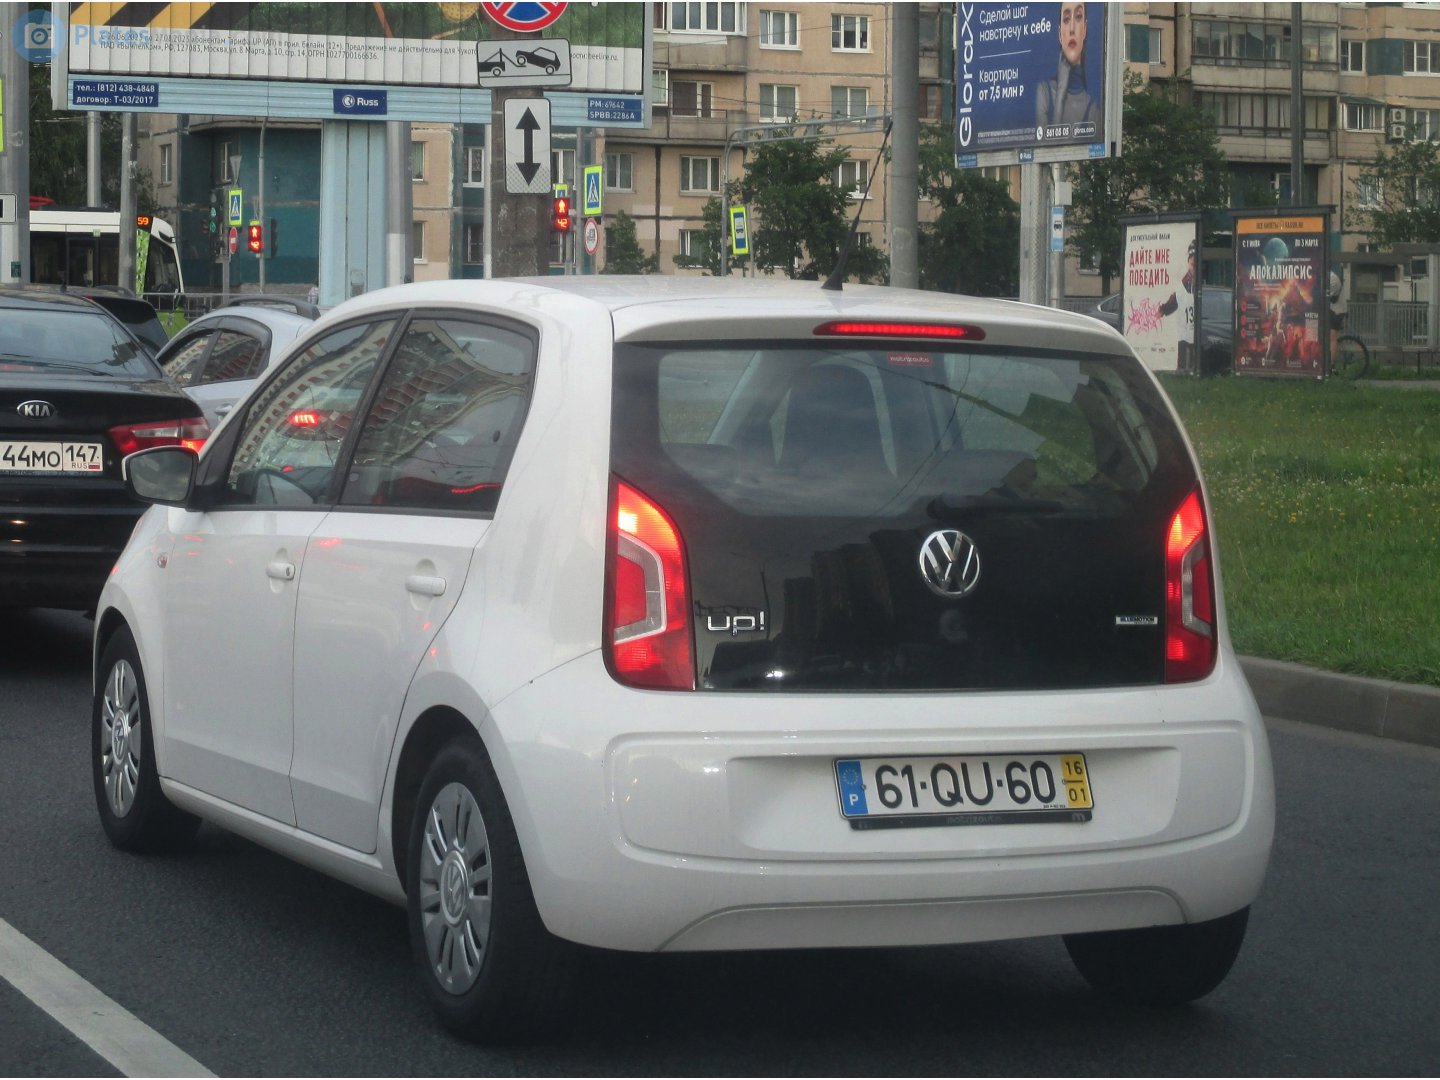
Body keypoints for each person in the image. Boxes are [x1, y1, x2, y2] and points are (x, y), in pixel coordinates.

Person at [1035, 2, 1101, 130]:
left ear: (1085, 29)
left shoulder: (1094, 110)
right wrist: (1060, 93)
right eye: (1066, 19)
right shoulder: (1044, 92)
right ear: (1060, 35)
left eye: (1078, 17)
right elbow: (1047, 143)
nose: (1072, 28)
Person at [1328, 268, 1347, 361]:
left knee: (1332, 336)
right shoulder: (1328, 276)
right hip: (1332, 309)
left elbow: (1325, 296)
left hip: (1337, 310)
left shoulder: (1333, 279)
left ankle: (1331, 365)